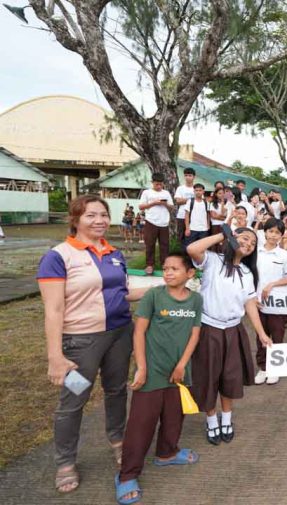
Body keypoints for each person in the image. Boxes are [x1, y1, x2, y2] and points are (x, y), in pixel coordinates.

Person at [37, 195, 148, 493]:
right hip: (80, 343)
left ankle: (119, 442)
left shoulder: (114, 253)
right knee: (74, 399)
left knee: (116, 391)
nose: (99, 221)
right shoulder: (58, 257)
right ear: (75, 219)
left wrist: (164, 287)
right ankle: (65, 462)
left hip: (119, 336)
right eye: (90, 215)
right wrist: (55, 357)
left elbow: (123, 292)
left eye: (103, 215)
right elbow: (53, 310)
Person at [115, 254, 202, 505]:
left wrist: (182, 365)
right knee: (141, 423)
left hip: (179, 371)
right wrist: (141, 367)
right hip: (152, 370)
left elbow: (194, 335)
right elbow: (139, 332)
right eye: (165, 268)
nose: (168, 273)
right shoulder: (154, 296)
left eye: (175, 269)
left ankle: (167, 453)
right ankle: (127, 475)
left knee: (174, 416)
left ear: (190, 274)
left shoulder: (196, 300)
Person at [186, 228, 272, 446]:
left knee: (230, 377)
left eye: (253, 243)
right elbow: (192, 249)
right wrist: (223, 235)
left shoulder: (247, 272)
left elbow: (249, 303)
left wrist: (262, 333)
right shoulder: (213, 261)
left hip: (233, 329)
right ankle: (211, 420)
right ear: (232, 238)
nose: (249, 244)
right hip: (209, 328)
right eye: (245, 238)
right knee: (208, 376)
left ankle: (226, 418)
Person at [254, 218, 287, 386]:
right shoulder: (255, 252)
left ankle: (275, 368)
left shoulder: (285, 255)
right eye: (270, 231)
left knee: (277, 336)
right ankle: (263, 368)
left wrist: (272, 284)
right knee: (261, 336)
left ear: (281, 235)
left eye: (277, 232)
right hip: (258, 302)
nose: (273, 235)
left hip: (277, 303)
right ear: (265, 232)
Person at [139, 173, 174, 275]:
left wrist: (165, 204)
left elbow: (171, 208)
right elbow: (141, 207)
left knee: (165, 245)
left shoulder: (166, 193)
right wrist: (154, 203)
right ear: (152, 182)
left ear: (163, 183)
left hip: (164, 222)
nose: (158, 186)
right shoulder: (147, 192)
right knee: (150, 244)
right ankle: (150, 265)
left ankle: (165, 265)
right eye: (156, 184)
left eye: (160, 184)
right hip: (151, 221)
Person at [182, 183, 210, 248]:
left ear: (203, 191)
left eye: (200, 190)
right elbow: (186, 215)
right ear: (194, 191)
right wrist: (187, 228)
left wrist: (208, 225)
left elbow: (208, 214)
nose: (198, 192)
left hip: (203, 229)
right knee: (190, 247)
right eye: (196, 190)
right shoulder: (190, 201)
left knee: (202, 247)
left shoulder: (206, 202)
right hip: (192, 229)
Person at [174, 167, 196, 240]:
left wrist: (184, 200)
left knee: (192, 237)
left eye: (190, 175)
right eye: (186, 175)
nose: (187, 177)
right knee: (181, 237)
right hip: (181, 215)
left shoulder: (197, 188)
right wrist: (192, 200)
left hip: (194, 216)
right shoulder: (180, 188)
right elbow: (178, 201)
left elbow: (200, 200)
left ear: (194, 177)